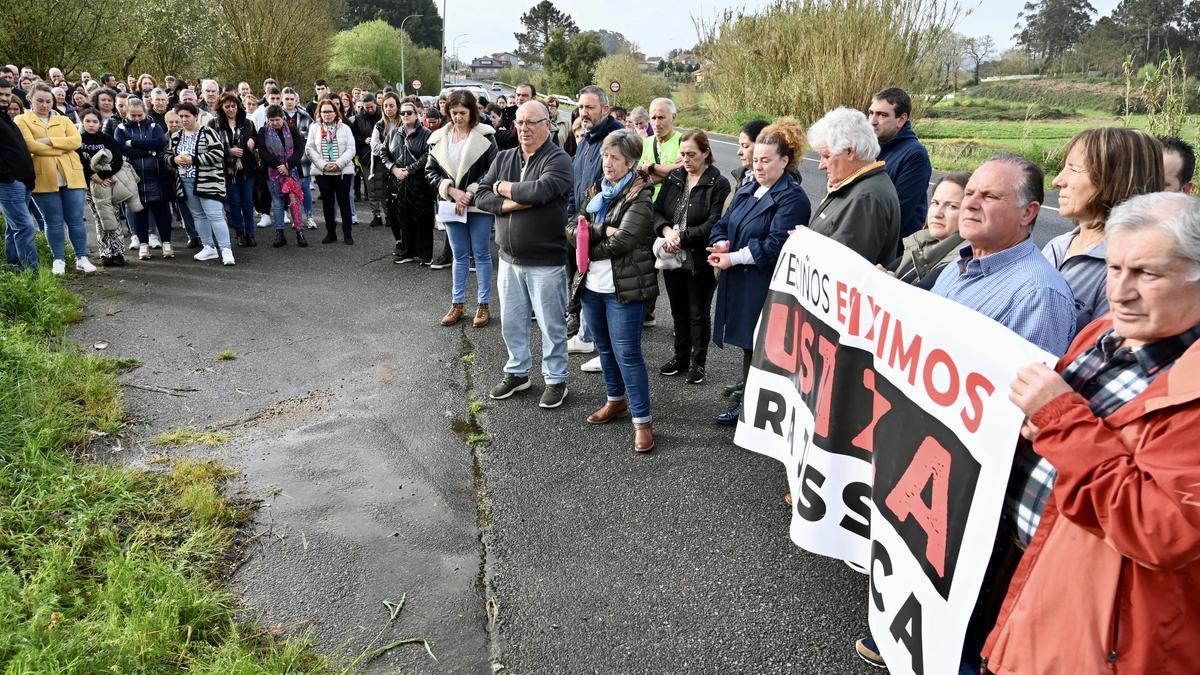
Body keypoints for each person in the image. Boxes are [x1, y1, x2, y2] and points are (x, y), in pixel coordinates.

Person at [855, 155, 1078, 671]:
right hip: (928, 455)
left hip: (973, 481)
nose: (971, 203)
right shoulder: (959, 266)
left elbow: (1023, 414)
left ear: (1029, 213)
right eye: (970, 193)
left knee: (960, 601)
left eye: (990, 196)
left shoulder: (1038, 294)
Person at [981, 192, 1200, 675]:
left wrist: (1059, 417)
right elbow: (1060, 437)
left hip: (1091, 625)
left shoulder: (1189, 386)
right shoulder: (1103, 331)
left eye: (1147, 274)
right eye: (1115, 268)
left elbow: (1161, 529)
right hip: (1022, 566)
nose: (1120, 291)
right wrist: (1031, 426)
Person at [709, 119, 812, 426]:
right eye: (756, 160)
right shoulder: (750, 185)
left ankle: (753, 411)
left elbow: (775, 245)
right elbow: (724, 222)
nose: (758, 166)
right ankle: (750, 405)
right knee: (748, 344)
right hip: (742, 280)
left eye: (766, 161)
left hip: (765, 285)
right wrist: (721, 241)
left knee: (761, 346)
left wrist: (733, 257)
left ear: (785, 161)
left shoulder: (792, 198)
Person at [476, 100, 574, 408]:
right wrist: (510, 202)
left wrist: (501, 187)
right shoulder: (504, 156)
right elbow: (481, 195)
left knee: (551, 325)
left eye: (531, 122)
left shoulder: (559, 159)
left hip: (546, 261)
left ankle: (556, 379)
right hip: (508, 259)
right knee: (512, 322)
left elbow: (541, 191)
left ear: (547, 124)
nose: (524, 128)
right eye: (519, 122)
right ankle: (517, 372)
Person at [566, 129, 659, 452]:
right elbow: (571, 227)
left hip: (624, 289)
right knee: (604, 350)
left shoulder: (640, 195)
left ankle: (643, 422)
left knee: (628, 354)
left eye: (615, 158)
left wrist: (586, 246)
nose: (607, 162)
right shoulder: (596, 190)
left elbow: (625, 241)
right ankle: (615, 401)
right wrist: (601, 228)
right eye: (605, 156)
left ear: (630, 162)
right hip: (591, 286)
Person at [1047, 128, 1164, 333]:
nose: (1057, 181)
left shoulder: (1124, 271)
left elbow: (1098, 347)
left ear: (1113, 179)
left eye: (1073, 169)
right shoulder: (1057, 245)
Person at [653, 129, 731, 385]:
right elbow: (656, 210)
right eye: (683, 154)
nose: (686, 159)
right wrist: (667, 232)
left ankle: (698, 363)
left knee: (698, 312)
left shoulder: (718, 183)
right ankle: (680, 357)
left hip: (699, 259)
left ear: (706, 153)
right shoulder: (674, 177)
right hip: (672, 256)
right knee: (678, 311)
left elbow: (714, 223)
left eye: (692, 154)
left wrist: (682, 238)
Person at [424, 89, 497, 326]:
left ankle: (483, 305)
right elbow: (430, 172)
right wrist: (451, 191)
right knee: (459, 255)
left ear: (472, 112)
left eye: (462, 113)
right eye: (454, 112)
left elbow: (493, 170)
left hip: (478, 204)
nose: (457, 117)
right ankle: (457, 304)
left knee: (482, 254)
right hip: (450, 204)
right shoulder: (438, 138)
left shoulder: (486, 135)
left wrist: (471, 192)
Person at [566, 85, 626, 368]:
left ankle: (608, 352)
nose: (584, 112)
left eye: (589, 107)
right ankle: (586, 335)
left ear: (605, 109)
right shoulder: (586, 139)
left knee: (606, 290)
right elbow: (576, 183)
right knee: (586, 283)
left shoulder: (616, 139)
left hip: (604, 223)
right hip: (582, 221)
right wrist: (571, 216)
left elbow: (617, 185)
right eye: (581, 107)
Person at [15, 83, 94, 275]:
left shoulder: (64, 119)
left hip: (71, 175)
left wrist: (49, 141)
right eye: (40, 101)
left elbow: (76, 141)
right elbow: (30, 146)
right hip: (43, 177)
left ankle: (81, 257)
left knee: (76, 219)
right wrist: (61, 148)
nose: (44, 105)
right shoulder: (21, 119)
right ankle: (58, 259)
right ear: (30, 99)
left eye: (48, 101)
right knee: (53, 221)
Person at [807, 107, 901, 266]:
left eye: (826, 156)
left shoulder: (866, 198)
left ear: (850, 152)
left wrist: (804, 244)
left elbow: (842, 267)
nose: (821, 166)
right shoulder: (858, 187)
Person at [167, 102, 234, 265]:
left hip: (209, 180)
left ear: (195, 116)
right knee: (198, 215)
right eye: (181, 116)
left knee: (215, 215)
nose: (183, 119)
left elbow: (218, 153)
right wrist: (174, 160)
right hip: (186, 180)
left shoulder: (207, 132)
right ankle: (208, 247)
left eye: (187, 116)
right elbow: (167, 155)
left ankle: (226, 249)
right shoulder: (176, 136)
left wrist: (194, 160)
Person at [869, 87, 931, 247]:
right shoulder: (871, 148)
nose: (872, 121)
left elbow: (897, 214)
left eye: (882, 115)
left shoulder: (915, 155)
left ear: (901, 119)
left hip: (893, 251)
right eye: (871, 113)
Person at [375, 96, 433, 264]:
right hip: (398, 183)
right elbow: (383, 153)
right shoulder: (394, 133)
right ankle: (407, 251)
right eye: (402, 113)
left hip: (420, 183)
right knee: (403, 217)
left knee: (422, 219)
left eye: (409, 113)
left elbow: (429, 155)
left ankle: (425, 255)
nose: (405, 115)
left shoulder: (426, 134)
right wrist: (393, 169)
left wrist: (410, 169)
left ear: (416, 114)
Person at [888, 171, 970, 289]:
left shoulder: (958, 263)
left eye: (952, 206)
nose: (937, 214)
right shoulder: (920, 242)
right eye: (935, 203)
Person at [114, 96, 173, 259]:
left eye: (140, 115)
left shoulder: (154, 126)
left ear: (145, 112)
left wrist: (133, 142)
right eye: (133, 115)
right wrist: (148, 151)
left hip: (157, 175)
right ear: (126, 113)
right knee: (139, 212)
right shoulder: (120, 129)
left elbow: (159, 143)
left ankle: (167, 243)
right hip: (134, 178)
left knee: (162, 211)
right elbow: (122, 149)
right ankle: (143, 245)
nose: (137, 118)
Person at [77, 108, 129, 266]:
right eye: (87, 121)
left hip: (109, 183)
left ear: (100, 123)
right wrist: (93, 176)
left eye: (95, 121)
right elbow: (78, 162)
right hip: (90, 186)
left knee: (113, 216)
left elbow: (118, 160)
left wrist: (104, 176)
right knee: (99, 218)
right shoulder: (78, 140)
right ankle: (105, 252)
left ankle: (118, 252)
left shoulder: (107, 139)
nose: (91, 124)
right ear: (82, 122)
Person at [0, 77, 39, 273]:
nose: (4, 98)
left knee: (13, 227)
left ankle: (14, 268)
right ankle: (32, 274)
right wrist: (7, 176)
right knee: (25, 227)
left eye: (7, 94)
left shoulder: (6, 118)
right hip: (9, 183)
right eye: (0, 94)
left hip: (22, 181)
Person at [210, 92, 259, 247]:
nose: (231, 109)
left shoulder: (248, 123)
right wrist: (228, 151)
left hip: (247, 169)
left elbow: (256, 137)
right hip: (227, 170)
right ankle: (240, 233)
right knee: (234, 203)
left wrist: (253, 140)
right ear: (221, 107)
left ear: (238, 106)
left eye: (233, 106)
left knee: (248, 203)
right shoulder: (214, 124)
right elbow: (210, 147)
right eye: (227, 107)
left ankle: (250, 233)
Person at [305, 99, 356, 244]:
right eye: (324, 112)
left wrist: (339, 164)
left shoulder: (345, 128)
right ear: (319, 113)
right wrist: (323, 165)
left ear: (336, 112)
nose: (327, 114)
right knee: (327, 203)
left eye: (329, 111)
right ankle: (331, 233)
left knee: (344, 203)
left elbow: (351, 149)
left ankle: (347, 234)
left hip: (342, 172)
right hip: (323, 173)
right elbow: (309, 148)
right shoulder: (314, 128)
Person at [256, 104, 307, 247]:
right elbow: (263, 151)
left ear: (282, 118)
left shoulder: (292, 129)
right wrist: (278, 165)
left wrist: (288, 165)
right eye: (271, 120)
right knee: (278, 203)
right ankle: (280, 233)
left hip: (293, 171)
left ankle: (300, 232)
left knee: (294, 202)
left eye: (277, 120)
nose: (274, 123)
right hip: (273, 172)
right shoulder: (263, 131)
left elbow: (299, 149)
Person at [281, 87, 316, 229]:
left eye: (292, 99)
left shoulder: (305, 116)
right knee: (289, 191)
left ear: (296, 100)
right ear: (282, 99)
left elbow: (312, 137)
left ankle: (309, 217)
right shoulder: (277, 116)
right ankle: (295, 218)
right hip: (284, 161)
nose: (289, 102)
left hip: (302, 160)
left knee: (305, 189)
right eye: (287, 99)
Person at [348, 92, 382, 227]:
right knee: (371, 187)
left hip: (383, 156)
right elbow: (353, 137)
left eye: (372, 107)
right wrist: (363, 140)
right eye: (367, 107)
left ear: (376, 104)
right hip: (366, 157)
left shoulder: (382, 116)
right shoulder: (357, 119)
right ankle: (376, 215)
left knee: (385, 186)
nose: (370, 110)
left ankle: (389, 215)